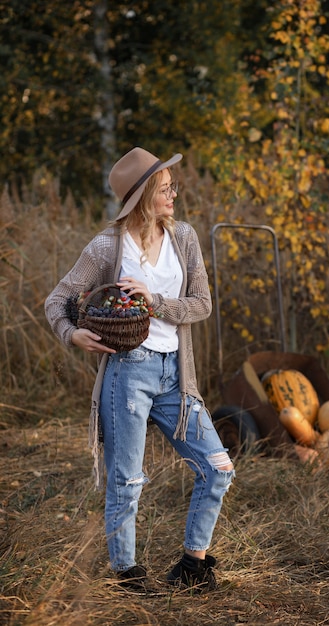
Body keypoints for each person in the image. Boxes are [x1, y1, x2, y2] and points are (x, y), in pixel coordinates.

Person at [44, 147, 235, 593]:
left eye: (172, 187)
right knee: (127, 480)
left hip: (176, 375)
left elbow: (203, 305)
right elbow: (57, 299)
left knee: (218, 468)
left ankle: (193, 564)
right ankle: (125, 573)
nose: (174, 194)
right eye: (166, 188)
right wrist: (72, 333)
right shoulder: (108, 246)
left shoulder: (184, 237)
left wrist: (155, 302)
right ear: (144, 196)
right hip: (127, 373)